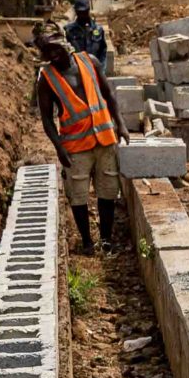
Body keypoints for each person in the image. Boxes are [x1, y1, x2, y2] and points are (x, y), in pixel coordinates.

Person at [32, 22, 123, 255]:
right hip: (75, 147)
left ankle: (106, 240)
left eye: (56, 49)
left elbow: (109, 92)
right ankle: (86, 242)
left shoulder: (89, 61)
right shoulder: (47, 79)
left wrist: (120, 124)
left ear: (65, 44)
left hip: (104, 139)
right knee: (78, 196)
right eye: (48, 52)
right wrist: (59, 148)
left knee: (107, 192)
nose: (54, 56)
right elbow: (47, 120)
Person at [64, 0, 109, 69]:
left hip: (95, 71)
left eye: (84, 12)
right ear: (76, 12)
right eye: (80, 12)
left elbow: (103, 52)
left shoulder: (98, 30)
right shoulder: (69, 30)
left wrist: (101, 71)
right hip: (77, 72)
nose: (82, 15)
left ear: (88, 10)